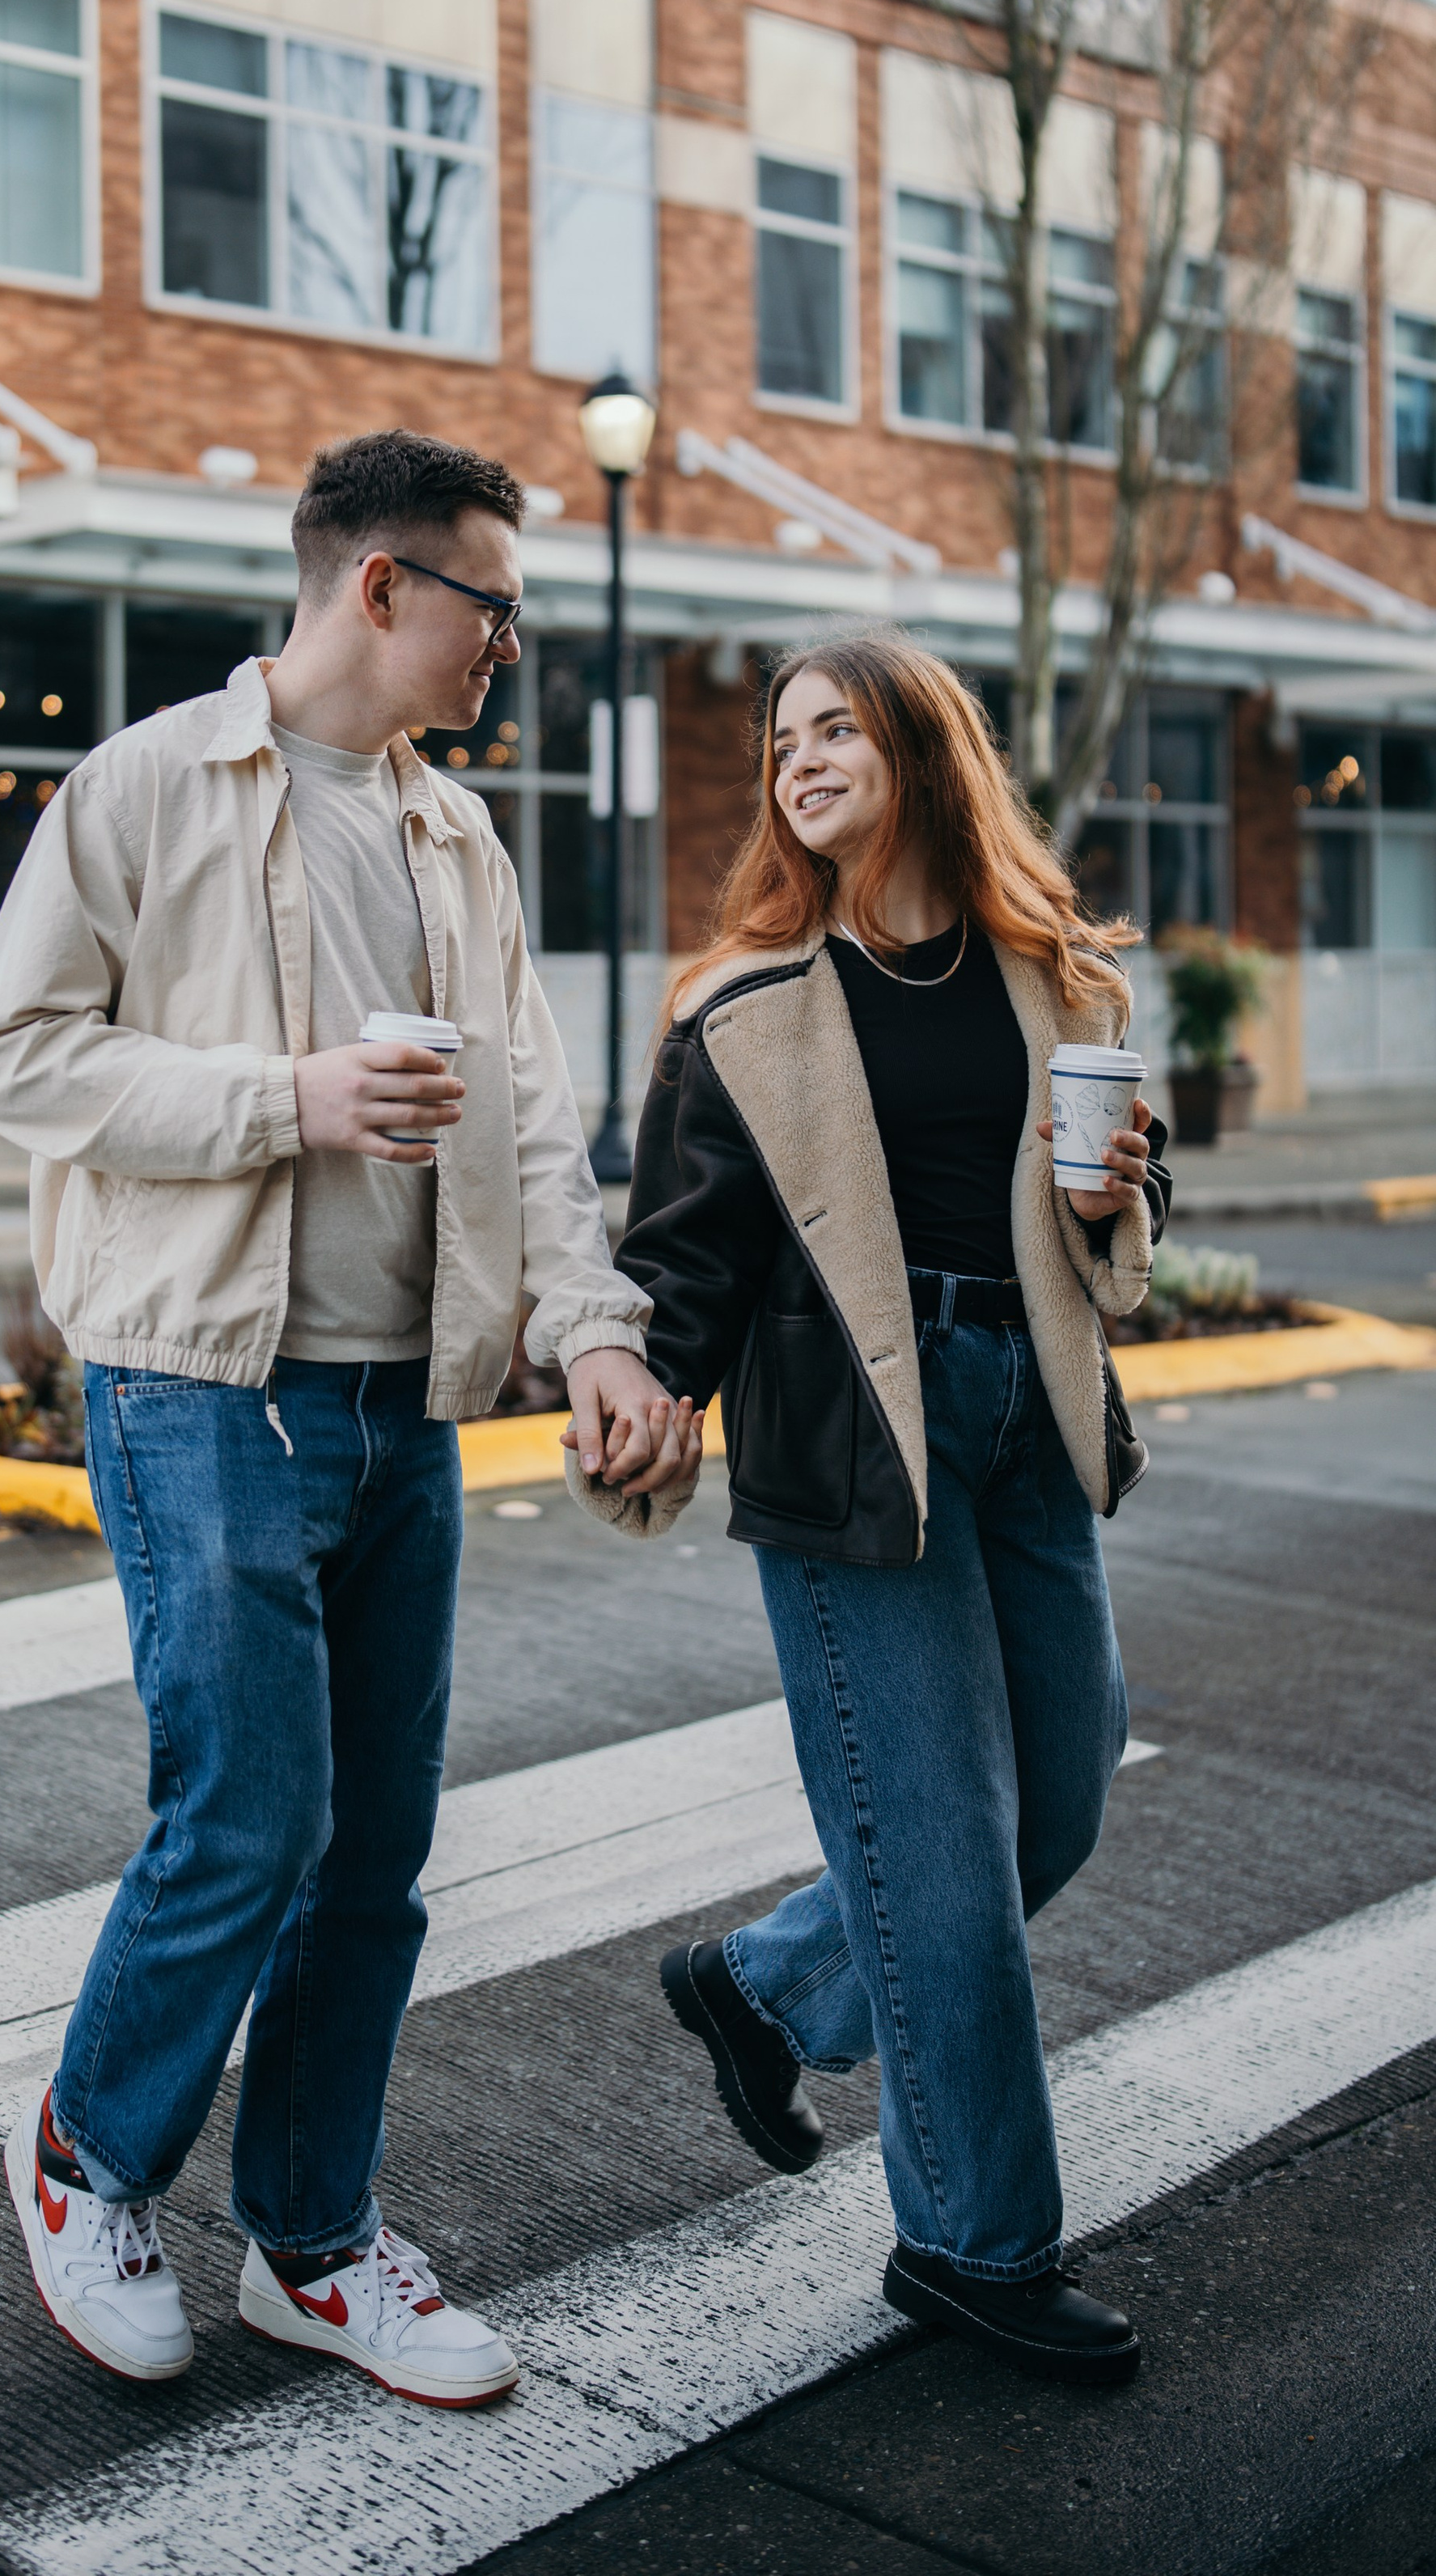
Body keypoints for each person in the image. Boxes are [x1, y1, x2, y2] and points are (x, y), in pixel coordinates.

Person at [0, 427, 697, 2407]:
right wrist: (280, 1100)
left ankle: (309, 2238)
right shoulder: (144, 786)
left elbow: (535, 1122)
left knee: (373, 1849)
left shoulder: (458, 838)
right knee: (251, 1817)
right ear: (379, 587)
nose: (510, 651)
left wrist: (596, 1331)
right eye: (491, 608)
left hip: (402, 1409)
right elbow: (14, 1057)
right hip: (204, 1389)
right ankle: (88, 2156)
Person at [570, 629, 1169, 2389]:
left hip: (1027, 1421)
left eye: (836, 728)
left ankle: (765, 1988)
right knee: (939, 1870)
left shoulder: (1051, 978)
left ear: (919, 749)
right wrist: (646, 1395)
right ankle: (973, 2247)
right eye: (779, 742)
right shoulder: (742, 1006)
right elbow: (684, 1258)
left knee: (1054, 1796)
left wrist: (1124, 1187)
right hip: (856, 1457)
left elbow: (1105, 1220)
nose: (801, 759)